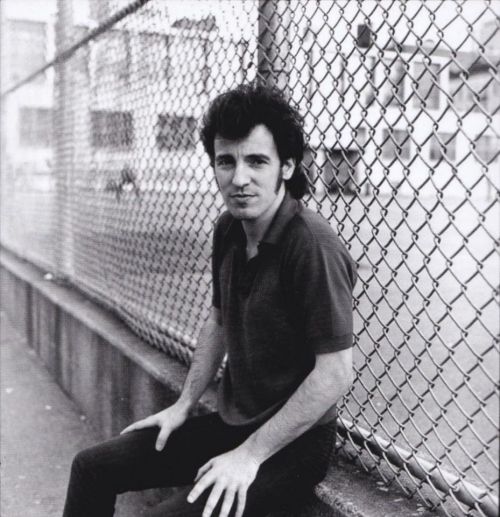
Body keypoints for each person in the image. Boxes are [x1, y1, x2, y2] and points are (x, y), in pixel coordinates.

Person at [62, 83, 357, 517]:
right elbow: (218, 322)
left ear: (288, 166)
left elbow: (334, 374)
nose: (239, 179)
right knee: (92, 467)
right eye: (226, 161)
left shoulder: (312, 246)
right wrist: (182, 405)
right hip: (232, 424)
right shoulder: (229, 228)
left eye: (257, 161)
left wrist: (250, 455)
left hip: (292, 446)